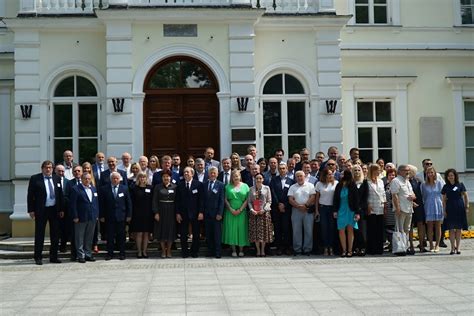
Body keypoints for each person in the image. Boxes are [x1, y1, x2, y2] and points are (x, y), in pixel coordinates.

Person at [27, 160, 64, 265]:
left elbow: (60, 195)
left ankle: (54, 257)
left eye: (50, 167)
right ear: (42, 168)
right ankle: (38, 257)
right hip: (41, 210)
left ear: (52, 169)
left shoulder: (56, 178)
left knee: (55, 234)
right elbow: (30, 196)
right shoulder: (35, 179)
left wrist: (61, 209)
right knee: (40, 234)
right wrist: (31, 210)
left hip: (54, 210)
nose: (48, 169)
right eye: (46, 167)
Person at [99, 172, 132, 260]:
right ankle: (110, 254)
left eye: (117, 178)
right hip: (109, 217)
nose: (115, 180)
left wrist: (129, 215)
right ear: (110, 179)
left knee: (121, 236)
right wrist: (101, 215)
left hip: (121, 216)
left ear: (119, 179)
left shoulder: (124, 188)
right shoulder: (104, 189)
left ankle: (122, 253)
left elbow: (128, 203)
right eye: (113, 178)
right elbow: (101, 204)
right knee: (109, 236)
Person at [69, 172, 99, 263]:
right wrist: (75, 216)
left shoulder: (93, 189)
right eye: (85, 178)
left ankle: (88, 254)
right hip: (80, 217)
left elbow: (96, 203)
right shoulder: (76, 189)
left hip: (92, 216)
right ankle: (80, 255)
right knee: (79, 237)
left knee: (89, 237)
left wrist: (96, 214)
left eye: (89, 179)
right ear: (81, 179)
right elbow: (72, 204)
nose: (87, 180)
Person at [176, 167, 205, 258]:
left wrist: (201, 212)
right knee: (183, 234)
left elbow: (201, 200)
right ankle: (184, 252)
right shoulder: (179, 185)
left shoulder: (198, 185)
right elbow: (177, 200)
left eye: (188, 172)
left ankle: (194, 251)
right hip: (183, 213)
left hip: (196, 213)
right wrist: (177, 213)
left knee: (196, 234)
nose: (186, 174)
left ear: (192, 174)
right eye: (184, 172)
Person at [222, 169, 250, 257]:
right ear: (231, 177)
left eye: (237, 176)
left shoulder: (245, 186)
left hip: (242, 212)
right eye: (234, 176)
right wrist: (230, 209)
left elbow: (247, 199)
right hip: (230, 212)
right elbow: (225, 199)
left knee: (241, 230)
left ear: (240, 176)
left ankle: (241, 250)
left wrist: (240, 209)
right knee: (232, 230)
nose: (236, 178)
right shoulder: (227, 186)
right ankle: (233, 250)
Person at [288, 170, 316, 256]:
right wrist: (298, 206)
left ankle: (307, 249)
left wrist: (306, 205)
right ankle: (297, 249)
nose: (299, 178)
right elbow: (290, 199)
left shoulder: (310, 186)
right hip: (296, 210)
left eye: (301, 176)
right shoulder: (292, 187)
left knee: (308, 230)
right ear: (295, 178)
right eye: (298, 176)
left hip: (307, 210)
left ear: (304, 176)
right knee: (296, 230)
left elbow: (313, 197)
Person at [333, 169, 360, 257]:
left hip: (351, 210)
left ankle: (350, 250)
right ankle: (344, 250)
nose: (340, 175)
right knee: (341, 230)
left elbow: (356, 200)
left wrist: (357, 212)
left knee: (350, 229)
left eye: (342, 174)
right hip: (341, 209)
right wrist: (335, 210)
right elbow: (335, 199)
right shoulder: (339, 185)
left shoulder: (353, 185)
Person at [442, 169, 469, 255]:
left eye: (452, 175)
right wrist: (444, 210)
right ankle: (452, 248)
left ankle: (458, 247)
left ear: (455, 176)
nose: (450, 177)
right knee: (451, 228)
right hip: (450, 208)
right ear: (447, 177)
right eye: (449, 175)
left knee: (458, 228)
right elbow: (443, 200)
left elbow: (465, 195)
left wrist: (467, 206)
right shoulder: (445, 186)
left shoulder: (460, 185)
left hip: (459, 207)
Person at [270, 162, 295, 256]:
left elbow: (291, 194)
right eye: (280, 168)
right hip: (276, 208)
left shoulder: (291, 181)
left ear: (287, 169)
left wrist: (284, 205)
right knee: (278, 228)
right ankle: (279, 247)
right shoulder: (274, 180)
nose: (282, 170)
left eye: (283, 168)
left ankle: (287, 247)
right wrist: (279, 204)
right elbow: (273, 193)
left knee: (287, 228)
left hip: (287, 208)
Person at [390, 165, 415, 254]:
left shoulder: (407, 181)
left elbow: (412, 194)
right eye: (405, 170)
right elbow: (394, 195)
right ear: (399, 171)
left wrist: (413, 196)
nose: (407, 172)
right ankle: (399, 248)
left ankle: (405, 247)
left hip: (409, 208)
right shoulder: (396, 181)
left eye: (408, 170)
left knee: (407, 229)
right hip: (401, 209)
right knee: (400, 229)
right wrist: (397, 208)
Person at [153, 170, 177, 258]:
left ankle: (169, 250)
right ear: (162, 178)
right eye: (164, 177)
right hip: (161, 211)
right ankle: (163, 250)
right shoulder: (157, 187)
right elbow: (154, 201)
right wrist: (156, 212)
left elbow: (177, 201)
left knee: (170, 231)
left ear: (170, 177)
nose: (166, 178)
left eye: (167, 176)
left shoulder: (175, 187)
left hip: (171, 211)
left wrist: (177, 213)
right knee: (161, 230)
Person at [248, 173, 273, 257]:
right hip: (254, 214)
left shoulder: (267, 188)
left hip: (264, 214)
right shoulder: (251, 189)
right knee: (255, 234)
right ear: (254, 179)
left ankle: (263, 250)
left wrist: (264, 209)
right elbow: (249, 202)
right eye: (257, 178)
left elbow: (269, 201)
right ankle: (258, 250)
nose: (258, 180)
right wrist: (252, 210)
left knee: (263, 233)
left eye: (260, 178)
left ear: (263, 179)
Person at [129, 172, 154, 258]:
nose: (142, 179)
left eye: (144, 177)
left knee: (146, 233)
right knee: (139, 233)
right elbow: (131, 202)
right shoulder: (134, 188)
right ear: (138, 179)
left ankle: (144, 251)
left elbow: (152, 201)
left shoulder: (150, 188)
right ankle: (139, 251)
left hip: (148, 214)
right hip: (137, 214)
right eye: (141, 177)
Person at [315, 168, 338, 256]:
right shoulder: (319, 184)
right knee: (324, 228)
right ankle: (325, 247)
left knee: (332, 228)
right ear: (324, 175)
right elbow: (317, 198)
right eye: (328, 174)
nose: (330, 175)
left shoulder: (336, 183)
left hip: (332, 208)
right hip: (322, 208)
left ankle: (331, 247)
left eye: (332, 174)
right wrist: (317, 211)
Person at [421, 166, 444, 253]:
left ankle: (437, 244)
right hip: (428, 205)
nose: (430, 174)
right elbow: (423, 196)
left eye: (432, 172)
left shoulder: (439, 183)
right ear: (426, 174)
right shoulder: (423, 184)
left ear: (435, 173)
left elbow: (443, 194)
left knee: (438, 225)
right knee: (429, 226)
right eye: (428, 173)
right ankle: (431, 244)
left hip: (438, 204)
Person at [203, 167, 225, 258]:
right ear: (208, 174)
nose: (212, 174)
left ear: (217, 174)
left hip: (216, 214)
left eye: (214, 173)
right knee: (208, 234)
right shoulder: (204, 184)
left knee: (217, 234)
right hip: (207, 214)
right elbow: (202, 200)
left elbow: (222, 200)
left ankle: (217, 252)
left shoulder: (221, 185)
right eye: (211, 173)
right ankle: (210, 251)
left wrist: (220, 213)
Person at [366, 164, 387, 255]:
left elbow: (383, 194)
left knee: (380, 229)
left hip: (380, 207)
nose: (379, 171)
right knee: (372, 228)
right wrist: (367, 205)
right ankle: (371, 249)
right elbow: (365, 195)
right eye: (378, 170)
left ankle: (379, 249)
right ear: (373, 170)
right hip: (371, 207)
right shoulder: (366, 181)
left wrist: (385, 205)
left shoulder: (381, 181)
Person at [408, 164, 426, 253]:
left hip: (419, 206)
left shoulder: (418, 182)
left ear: (414, 172)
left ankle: (421, 245)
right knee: (409, 226)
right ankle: (410, 245)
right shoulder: (405, 181)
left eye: (409, 171)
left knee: (420, 225)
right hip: (408, 205)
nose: (408, 172)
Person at [82, 161, 99, 254]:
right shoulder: (82, 180)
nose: (86, 170)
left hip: (93, 210)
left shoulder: (94, 179)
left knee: (95, 229)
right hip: (84, 211)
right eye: (85, 168)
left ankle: (95, 244)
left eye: (88, 168)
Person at [352, 164, 368, 256]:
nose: (357, 172)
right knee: (354, 230)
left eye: (358, 170)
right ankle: (355, 248)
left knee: (361, 230)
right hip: (352, 209)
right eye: (355, 170)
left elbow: (365, 197)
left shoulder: (364, 182)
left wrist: (359, 209)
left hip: (361, 210)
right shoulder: (351, 183)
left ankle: (362, 247)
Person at [55, 164, 69, 253]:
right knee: (56, 229)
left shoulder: (68, 181)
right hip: (55, 208)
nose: (61, 173)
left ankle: (63, 246)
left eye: (62, 171)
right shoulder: (53, 180)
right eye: (59, 171)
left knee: (65, 228)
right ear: (55, 171)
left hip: (66, 208)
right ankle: (55, 246)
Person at [384, 169, 397, 251]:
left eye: (393, 175)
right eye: (390, 175)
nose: (391, 176)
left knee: (395, 227)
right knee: (388, 227)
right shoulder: (386, 185)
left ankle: (395, 244)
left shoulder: (398, 185)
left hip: (396, 209)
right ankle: (390, 244)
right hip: (388, 209)